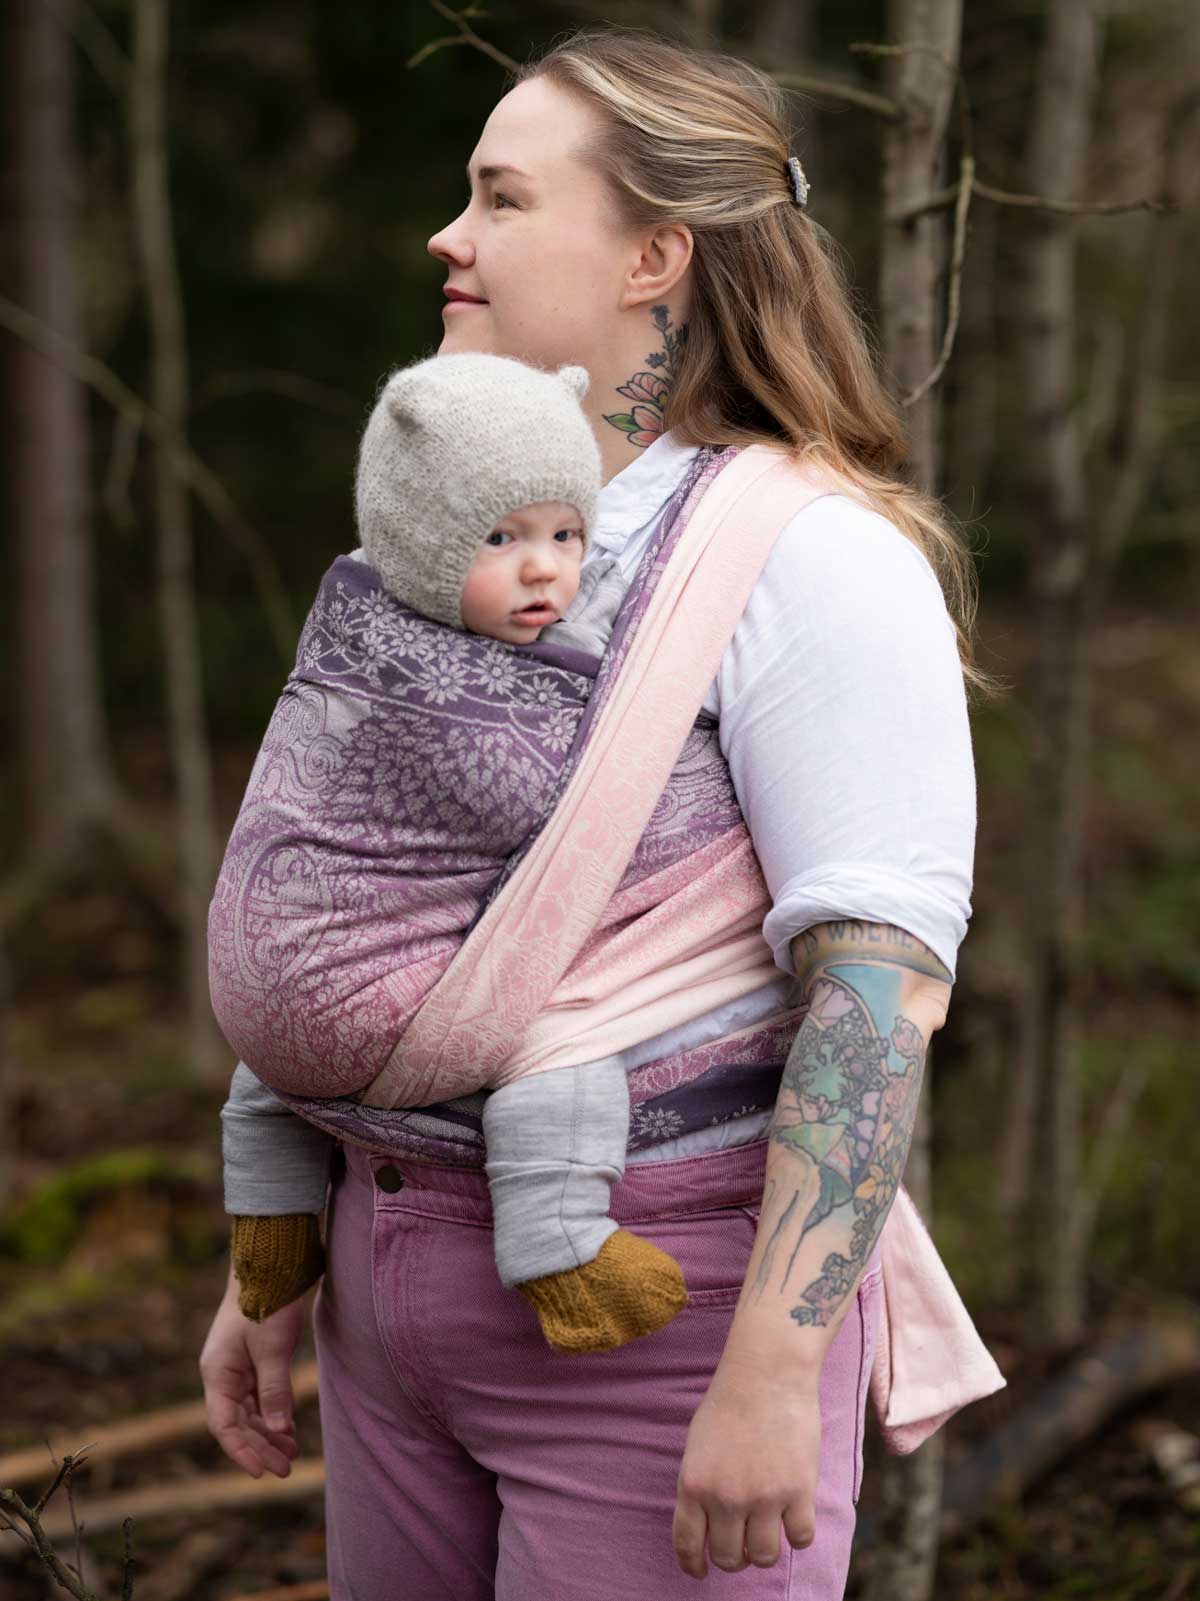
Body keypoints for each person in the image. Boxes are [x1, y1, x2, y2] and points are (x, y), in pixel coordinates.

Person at [201, 26, 986, 1598]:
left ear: (654, 254)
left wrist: (770, 1370)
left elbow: (878, 983)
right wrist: (274, 1256)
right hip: (384, 1271)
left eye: (498, 198)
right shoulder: (468, 539)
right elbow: (380, 879)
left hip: (654, 1320)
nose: (447, 234)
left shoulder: (810, 554)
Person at [214, 349, 690, 1351]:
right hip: (359, 989)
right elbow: (546, 794)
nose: (546, 567)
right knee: (550, 1038)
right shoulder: (430, 691)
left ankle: (270, 1220)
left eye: (568, 533)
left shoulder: (350, 603)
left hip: (259, 991)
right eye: (500, 535)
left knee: (280, 1051)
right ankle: (558, 1243)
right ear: (420, 540)